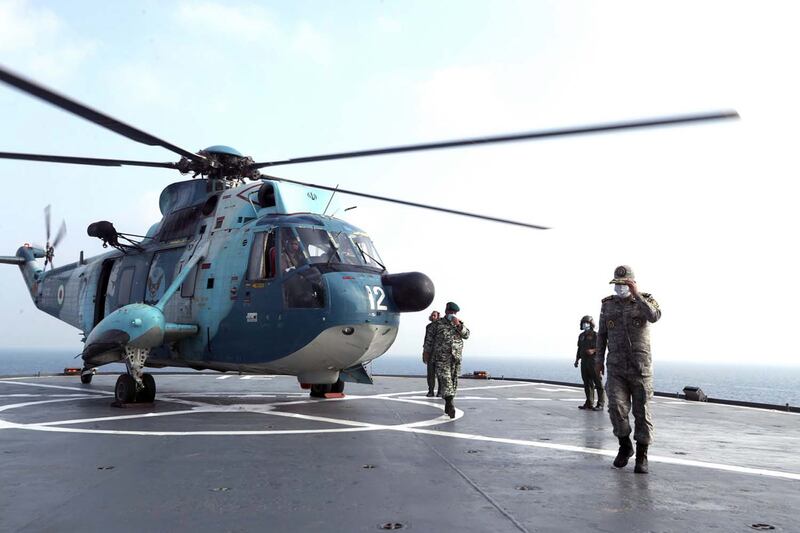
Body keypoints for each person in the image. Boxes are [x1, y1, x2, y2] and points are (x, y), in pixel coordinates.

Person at [595, 265, 661, 474]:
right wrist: (598, 359)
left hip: (640, 368)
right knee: (615, 407)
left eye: (624, 284)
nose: (620, 288)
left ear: (632, 283)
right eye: (617, 284)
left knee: (641, 411)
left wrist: (637, 295)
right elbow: (602, 334)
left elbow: (654, 316)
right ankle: (625, 446)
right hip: (615, 367)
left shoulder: (645, 300)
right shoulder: (607, 305)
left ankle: (642, 456)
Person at [423, 301, 470, 418]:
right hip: (441, 357)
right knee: (446, 380)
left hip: (455, 358)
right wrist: (426, 352)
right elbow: (428, 340)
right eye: (450, 312)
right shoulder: (437, 324)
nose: (452, 314)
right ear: (446, 311)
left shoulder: (459, 324)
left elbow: (467, 335)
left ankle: (448, 404)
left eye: (454, 312)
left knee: (453, 382)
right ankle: (450, 404)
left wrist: (459, 325)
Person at [575, 315, 604, 411]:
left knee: (598, 383)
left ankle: (600, 404)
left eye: (586, 322)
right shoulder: (581, 336)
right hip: (584, 362)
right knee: (587, 383)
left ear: (591, 324)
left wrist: (593, 350)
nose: (584, 324)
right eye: (583, 323)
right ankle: (589, 402)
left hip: (593, 362)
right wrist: (577, 360)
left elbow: (601, 347)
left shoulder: (596, 335)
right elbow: (579, 348)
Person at [422, 310, 444, 397]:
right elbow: (426, 339)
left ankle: (440, 391)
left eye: (434, 315)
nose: (432, 317)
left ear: (438, 317)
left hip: (440, 354)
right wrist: (425, 352)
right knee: (430, 374)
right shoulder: (428, 327)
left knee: (440, 374)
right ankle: (430, 391)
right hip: (430, 353)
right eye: (432, 315)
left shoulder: (442, 327)